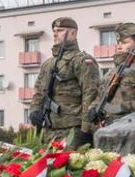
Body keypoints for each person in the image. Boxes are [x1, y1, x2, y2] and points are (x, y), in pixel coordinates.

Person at [28, 17, 101, 149]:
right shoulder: (48, 64)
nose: (55, 34)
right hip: (49, 129)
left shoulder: (82, 61)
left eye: (60, 30)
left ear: (73, 33)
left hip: (73, 130)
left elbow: (91, 96)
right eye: (54, 30)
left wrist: (87, 130)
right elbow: (39, 91)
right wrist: (34, 111)